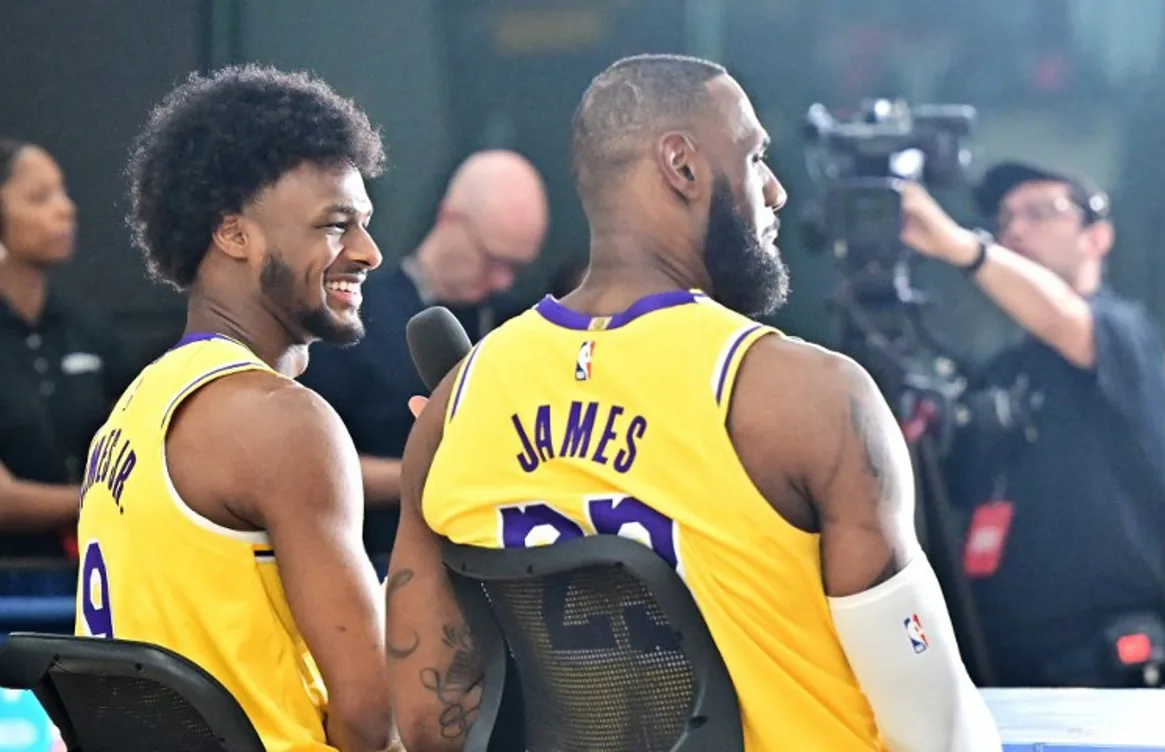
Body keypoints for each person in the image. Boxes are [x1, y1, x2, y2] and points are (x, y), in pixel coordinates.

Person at [384, 54, 1000, 752]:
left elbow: (430, 724)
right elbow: (938, 734)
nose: (775, 191)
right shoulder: (809, 400)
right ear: (682, 166)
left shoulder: (455, 407)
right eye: (756, 155)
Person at [75, 65, 398, 752]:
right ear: (234, 234)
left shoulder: (135, 409)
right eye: (336, 225)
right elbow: (377, 720)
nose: (369, 253)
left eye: (364, 225)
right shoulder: (282, 422)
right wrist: (434, 486)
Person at [901, 164, 1165, 687]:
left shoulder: (1125, 333)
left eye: (1040, 212)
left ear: (1097, 237)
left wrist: (965, 247)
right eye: (1004, 219)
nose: (1015, 230)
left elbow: (1066, 321)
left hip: (1104, 658)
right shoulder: (1002, 371)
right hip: (996, 657)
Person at [300, 150, 546, 558]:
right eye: (494, 259)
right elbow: (309, 470)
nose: (502, 280)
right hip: (381, 556)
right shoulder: (355, 314)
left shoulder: (517, 322)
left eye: (517, 268)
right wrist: (425, 477)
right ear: (452, 218)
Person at [0, 139, 134, 561]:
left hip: (91, 577)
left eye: (63, 192)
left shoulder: (89, 330)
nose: (66, 208)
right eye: (40, 198)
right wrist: (108, 502)